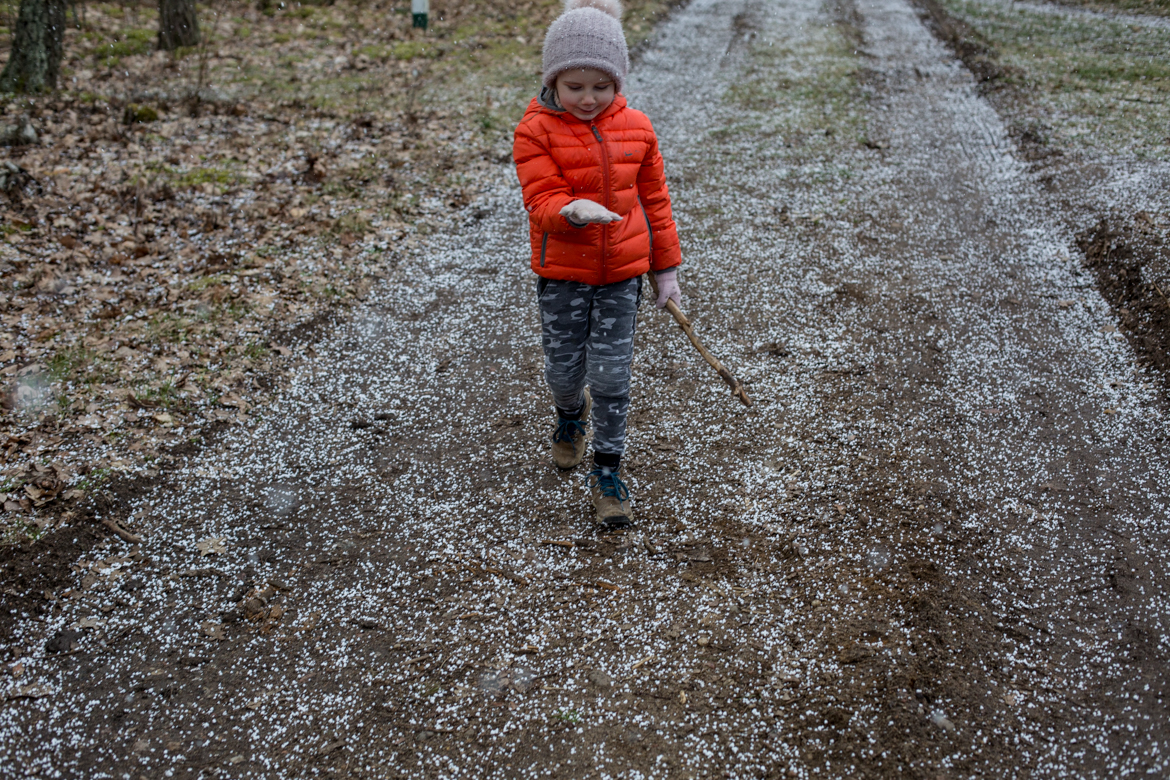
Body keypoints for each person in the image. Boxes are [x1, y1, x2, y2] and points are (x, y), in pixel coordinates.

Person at [513, 0, 682, 528]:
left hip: (621, 279)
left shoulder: (638, 128)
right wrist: (571, 210)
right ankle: (569, 416)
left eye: (600, 86)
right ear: (553, 81)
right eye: (575, 86)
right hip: (562, 276)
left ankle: (607, 471)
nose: (588, 99)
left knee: (610, 376)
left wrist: (666, 269)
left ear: (617, 82)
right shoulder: (535, 131)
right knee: (565, 374)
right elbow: (540, 199)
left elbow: (655, 201)